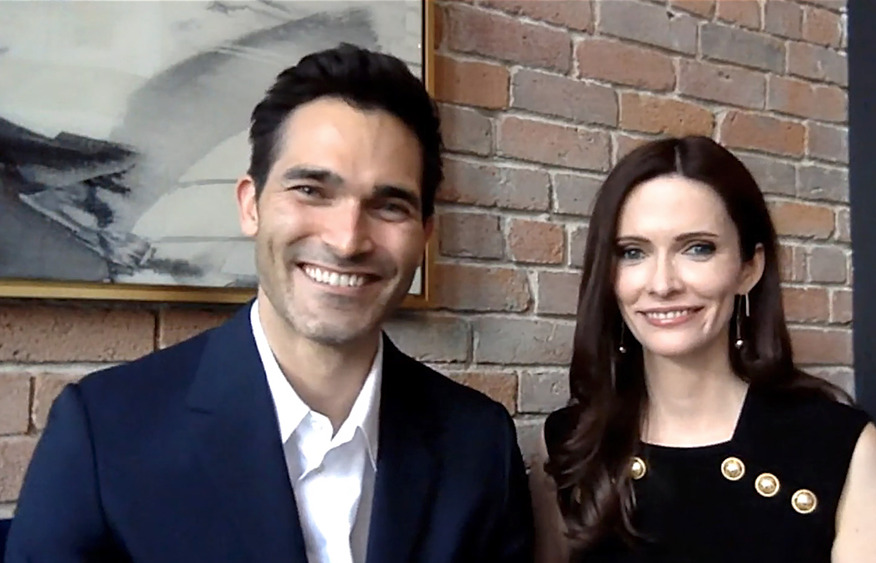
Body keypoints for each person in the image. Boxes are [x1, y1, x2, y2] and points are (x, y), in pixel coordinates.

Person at [6, 43, 533, 563]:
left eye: (389, 205)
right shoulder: (104, 433)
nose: (348, 240)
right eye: (310, 190)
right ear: (250, 206)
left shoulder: (480, 444)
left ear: (424, 235)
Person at [530, 136, 876, 563]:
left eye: (698, 248)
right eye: (633, 252)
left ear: (749, 268)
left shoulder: (839, 443)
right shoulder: (569, 445)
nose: (662, 283)